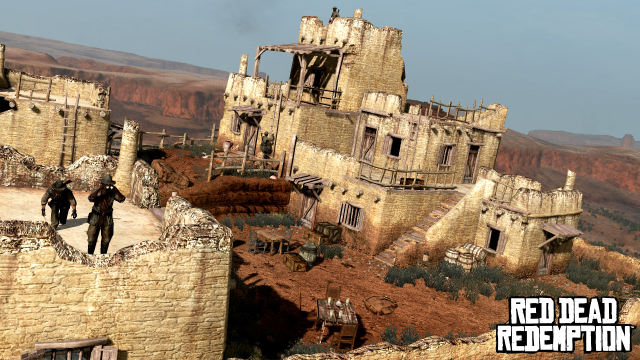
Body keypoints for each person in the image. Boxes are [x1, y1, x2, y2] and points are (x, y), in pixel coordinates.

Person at [87, 174, 125, 254]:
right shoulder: (96, 191)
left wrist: (116, 190)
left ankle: (103, 256)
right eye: (106, 184)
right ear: (102, 184)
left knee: (106, 240)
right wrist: (100, 189)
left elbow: (122, 199)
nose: (108, 186)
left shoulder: (112, 193)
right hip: (95, 217)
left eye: (109, 185)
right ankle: (90, 255)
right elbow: (91, 198)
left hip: (107, 218)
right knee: (91, 239)